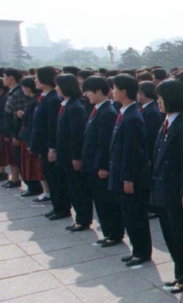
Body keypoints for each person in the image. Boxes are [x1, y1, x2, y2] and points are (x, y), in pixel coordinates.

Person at [151, 80, 183, 293]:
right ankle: (179, 272)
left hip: (176, 192)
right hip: (163, 190)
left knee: (181, 236)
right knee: (170, 235)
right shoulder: (166, 124)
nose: (158, 102)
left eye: (162, 97)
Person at [109, 74, 152, 267]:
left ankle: (142, 251)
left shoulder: (133, 117)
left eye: (115, 88)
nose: (113, 92)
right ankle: (137, 249)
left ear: (124, 92)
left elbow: (132, 151)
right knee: (129, 214)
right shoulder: (125, 113)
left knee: (136, 216)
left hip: (131, 177)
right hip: (122, 173)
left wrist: (128, 178)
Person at [81, 76, 123, 247]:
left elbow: (104, 143)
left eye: (89, 91)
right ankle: (108, 232)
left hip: (100, 166)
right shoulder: (98, 109)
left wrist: (102, 165)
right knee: (100, 201)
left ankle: (114, 233)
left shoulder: (107, 112)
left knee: (107, 202)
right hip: (92, 164)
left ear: (98, 91)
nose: (86, 95)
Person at [54, 74, 93, 232]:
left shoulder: (75, 107)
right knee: (72, 187)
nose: (56, 88)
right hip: (66, 155)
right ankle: (79, 218)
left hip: (73, 156)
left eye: (58, 85)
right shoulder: (67, 104)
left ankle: (83, 219)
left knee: (79, 189)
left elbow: (77, 135)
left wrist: (76, 157)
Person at [34, 67, 70, 220]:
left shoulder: (53, 99)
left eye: (37, 77)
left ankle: (62, 208)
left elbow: (52, 126)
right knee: (50, 177)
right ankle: (57, 206)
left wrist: (52, 147)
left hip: (50, 146)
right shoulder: (45, 97)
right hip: (43, 145)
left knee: (56, 179)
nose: (34, 80)